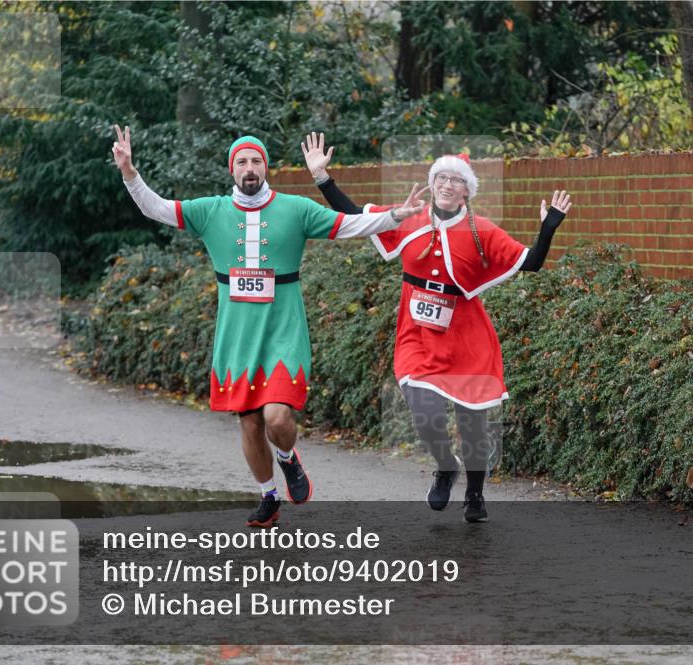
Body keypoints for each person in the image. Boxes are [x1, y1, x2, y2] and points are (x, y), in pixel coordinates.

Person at [111, 126, 424, 527]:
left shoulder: (295, 209)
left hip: (283, 330)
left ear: (266, 167)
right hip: (236, 334)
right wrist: (129, 172)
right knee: (250, 421)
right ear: (232, 170)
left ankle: (288, 458)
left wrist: (395, 215)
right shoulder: (210, 211)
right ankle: (268, 496)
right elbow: (156, 208)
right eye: (241, 161)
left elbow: (349, 225)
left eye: (256, 160)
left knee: (276, 418)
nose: (249, 167)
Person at [302, 133, 571, 522]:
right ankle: (446, 465)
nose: (448, 185)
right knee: (424, 414)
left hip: (467, 335)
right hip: (417, 335)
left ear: (467, 190)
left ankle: (475, 495)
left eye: (456, 180)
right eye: (441, 178)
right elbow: (355, 216)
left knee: (473, 422)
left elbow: (530, 262)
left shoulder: (484, 231)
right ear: (432, 184)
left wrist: (549, 228)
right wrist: (322, 178)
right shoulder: (407, 215)